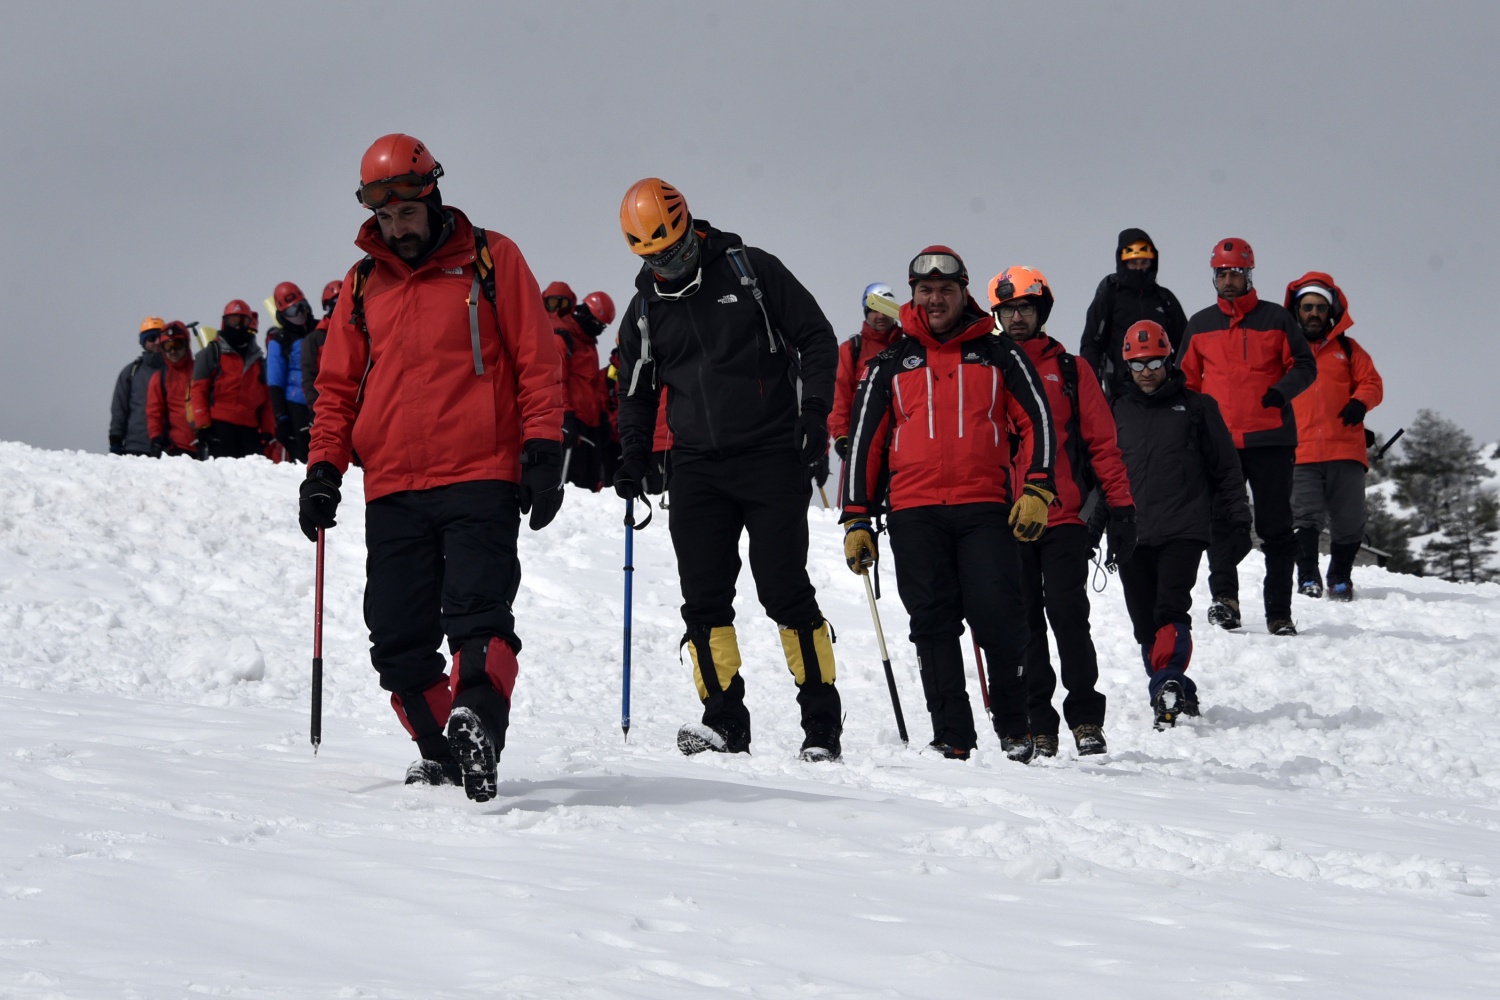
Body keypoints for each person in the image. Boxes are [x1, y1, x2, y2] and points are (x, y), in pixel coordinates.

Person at [300, 134, 564, 803]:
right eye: (384, 217)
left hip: (480, 471)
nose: (398, 227)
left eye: (407, 213)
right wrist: (324, 468)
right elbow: (336, 388)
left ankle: (478, 722)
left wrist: (543, 448)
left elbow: (537, 359)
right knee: (396, 637)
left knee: (476, 615)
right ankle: (446, 750)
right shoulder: (363, 285)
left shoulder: (491, 260)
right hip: (393, 486)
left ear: (433, 196)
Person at [613, 177, 841, 761]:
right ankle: (723, 722)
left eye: (678, 248)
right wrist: (633, 455)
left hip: (770, 456)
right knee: (704, 601)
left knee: (784, 590)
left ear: (690, 224)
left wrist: (814, 411)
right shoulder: (644, 311)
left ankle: (821, 726)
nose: (671, 262)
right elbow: (636, 394)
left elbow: (817, 337)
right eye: (656, 256)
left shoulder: (751, 271)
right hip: (695, 470)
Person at [842, 247, 1057, 764]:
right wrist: (856, 518)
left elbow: (1038, 421)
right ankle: (951, 735)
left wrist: (1038, 488)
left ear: (964, 294)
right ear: (912, 297)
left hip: (984, 507)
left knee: (999, 616)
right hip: (914, 513)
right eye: (925, 291)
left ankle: (1014, 728)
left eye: (945, 290)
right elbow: (864, 443)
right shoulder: (889, 361)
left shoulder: (999, 353)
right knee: (932, 624)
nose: (934, 299)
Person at [992, 266, 1135, 759]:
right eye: (1007, 309)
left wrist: (1121, 509)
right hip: (1004, 522)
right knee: (1024, 623)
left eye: (1025, 308)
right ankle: (1039, 723)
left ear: (1041, 312)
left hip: (1064, 517)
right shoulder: (986, 369)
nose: (1015, 318)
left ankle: (1086, 719)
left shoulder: (1072, 370)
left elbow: (1103, 445)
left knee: (1069, 616)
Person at [1112, 321, 1249, 728]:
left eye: (1154, 361)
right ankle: (1173, 690)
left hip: (1184, 526)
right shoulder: (1116, 410)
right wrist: (1091, 525)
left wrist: (1239, 517)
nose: (1147, 371)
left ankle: (1168, 681)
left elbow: (1227, 468)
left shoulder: (1197, 407)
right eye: (1137, 365)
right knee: (1144, 624)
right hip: (1132, 529)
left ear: (1169, 358)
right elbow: (1103, 475)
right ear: (1127, 366)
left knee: (1170, 608)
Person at [1178, 238, 1315, 636]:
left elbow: (1305, 366)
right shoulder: (1200, 325)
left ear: (1249, 274)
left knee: (1275, 527)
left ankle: (1279, 613)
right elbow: (1184, 380)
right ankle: (1225, 601)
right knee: (1221, 524)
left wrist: (1281, 391)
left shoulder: (1276, 319)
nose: (1228, 280)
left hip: (1271, 439)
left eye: (1236, 272)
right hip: (1219, 443)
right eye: (1222, 273)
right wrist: (1192, 423)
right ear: (1214, 277)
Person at [1284, 272, 1384, 601]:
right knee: (1305, 517)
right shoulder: (1282, 351)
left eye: (1321, 308)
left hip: (1346, 449)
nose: (1314, 313)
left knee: (1351, 520)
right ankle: (1308, 576)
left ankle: (1340, 576)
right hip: (1300, 450)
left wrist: (1360, 402)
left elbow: (1372, 383)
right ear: (1296, 310)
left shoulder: (1349, 349)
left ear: (1331, 313)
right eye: (1307, 306)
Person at [1079, 229, 1188, 400]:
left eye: (1143, 262)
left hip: (1165, 392)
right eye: (1133, 263)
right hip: (1120, 393)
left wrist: (1182, 382)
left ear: (1152, 262)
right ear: (1123, 263)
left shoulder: (1164, 299)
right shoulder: (1109, 297)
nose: (1138, 268)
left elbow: (1185, 344)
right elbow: (1091, 345)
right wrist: (1092, 387)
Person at [190, 300, 275, 459]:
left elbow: (266, 399)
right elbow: (198, 390)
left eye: (242, 321)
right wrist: (203, 426)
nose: (237, 326)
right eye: (233, 320)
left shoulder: (257, 359)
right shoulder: (212, 352)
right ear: (224, 322)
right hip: (220, 425)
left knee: (254, 476)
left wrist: (268, 429)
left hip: (250, 429)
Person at [829, 282, 902, 461]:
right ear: (866, 313)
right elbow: (840, 395)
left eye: (885, 309)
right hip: (863, 437)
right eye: (874, 310)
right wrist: (841, 435)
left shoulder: (907, 347)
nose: (880, 316)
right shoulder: (852, 349)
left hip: (901, 437)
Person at [567, 290, 615, 491]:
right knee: (573, 482)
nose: (600, 330)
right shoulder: (566, 336)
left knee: (590, 481)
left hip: (590, 420)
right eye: (598, 324)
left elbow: (593, 385)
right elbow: (558, 378)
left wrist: (602, 415)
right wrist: (565, 414)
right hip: (574, 418)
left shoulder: (588, 343)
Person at [266, 281, 317, 463]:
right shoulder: (279, 340)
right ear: (282, 314)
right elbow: (275, 381)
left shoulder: (320, 329)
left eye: (301, 307)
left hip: (324, 398)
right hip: (297, 403)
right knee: (305, 455)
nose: (299, 315)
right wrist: (281, 418)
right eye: (292, 311)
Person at [110, 317, 166, 456]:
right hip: (136, 447)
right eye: (152, 338)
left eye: (160, 337)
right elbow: (119, 408)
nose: (157, 342)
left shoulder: (177, 372)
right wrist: (116, 438)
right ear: (143, 342)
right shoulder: (131, 372)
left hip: (169, 448)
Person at [145, 321, 199, 457]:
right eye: (168, 346)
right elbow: (154, 412)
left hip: (206, 444)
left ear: (186, 345)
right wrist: (156, 438)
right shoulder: (160, 378)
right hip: (176, 448)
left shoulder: (201, 370)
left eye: (177, 345)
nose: (173, 351)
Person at [301, 280, 341, 415]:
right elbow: (309, 375)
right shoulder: (315, 339)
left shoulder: (363, 330)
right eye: (337, 303)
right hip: (330, 406)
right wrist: (314, 408)